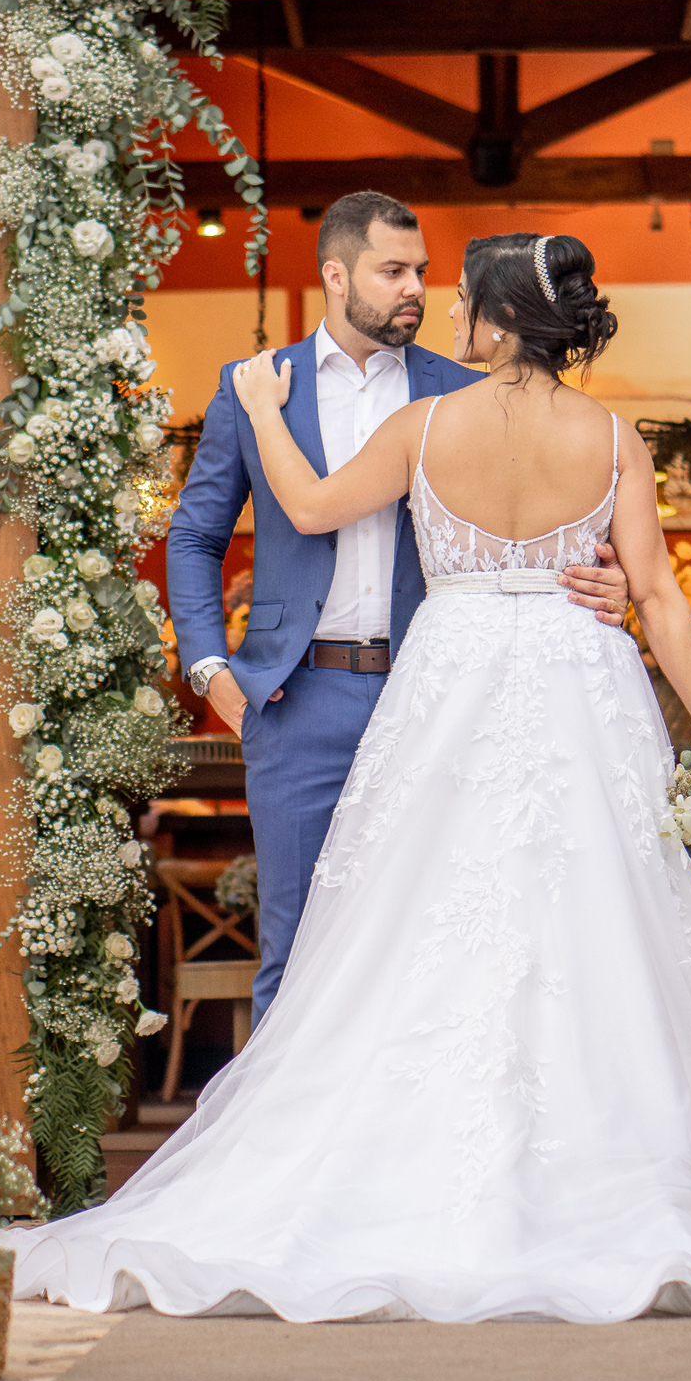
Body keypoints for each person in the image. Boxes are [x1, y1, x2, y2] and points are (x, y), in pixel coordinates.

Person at [3, 231, 691, 1323]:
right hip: (580, 684)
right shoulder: (611, 434)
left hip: (446, 683)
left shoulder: (421, 424)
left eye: (458, 304)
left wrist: (262, 411)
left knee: (411, 923)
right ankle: (613, 1170)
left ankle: (398, 1171)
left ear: (497, 322)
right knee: (599, 921)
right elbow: (665, 600)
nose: (442, 317)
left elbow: (304, 508)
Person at [166, 192, 629, 1024]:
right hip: (298, 698)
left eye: (421, 271)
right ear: (337, 276)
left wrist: (611, 580)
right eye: (394, 272)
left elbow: (536, 533)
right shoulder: (258, 390)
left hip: (442, 699)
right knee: (298, 952)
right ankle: (289, 1156)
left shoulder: (465, 388)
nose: (416, 288)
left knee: (443, 948)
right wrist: (208, 668)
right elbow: (195, 537)